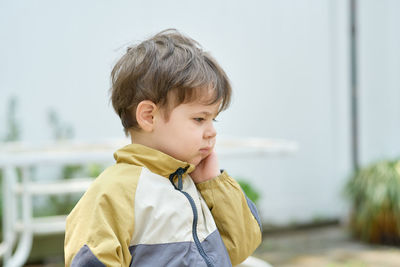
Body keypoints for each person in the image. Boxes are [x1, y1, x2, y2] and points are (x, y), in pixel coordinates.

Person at [64, 29, 262, 267]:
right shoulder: (114, 193)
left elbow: (239, 248)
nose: (212, 131)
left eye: (213, 119)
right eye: (200, 119)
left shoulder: (193, 183)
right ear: (149, 116)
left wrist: (212, 184)